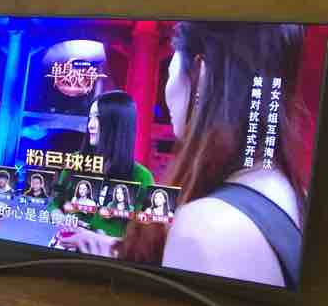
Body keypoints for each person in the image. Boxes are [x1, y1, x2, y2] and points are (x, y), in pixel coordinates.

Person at [119, 22, 307, 288]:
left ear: (202, 73)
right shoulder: (295, 193)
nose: (166, 89)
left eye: (169, 69)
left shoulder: (205, 230)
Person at [53, 90, 155, 250]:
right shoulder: (76, 161)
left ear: (118, 125)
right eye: (90, 117)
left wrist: (92, 238)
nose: (90, 125)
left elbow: (143, 241)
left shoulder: (142, 177)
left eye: (98, 118)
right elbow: (55, 204)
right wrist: (62, 220)